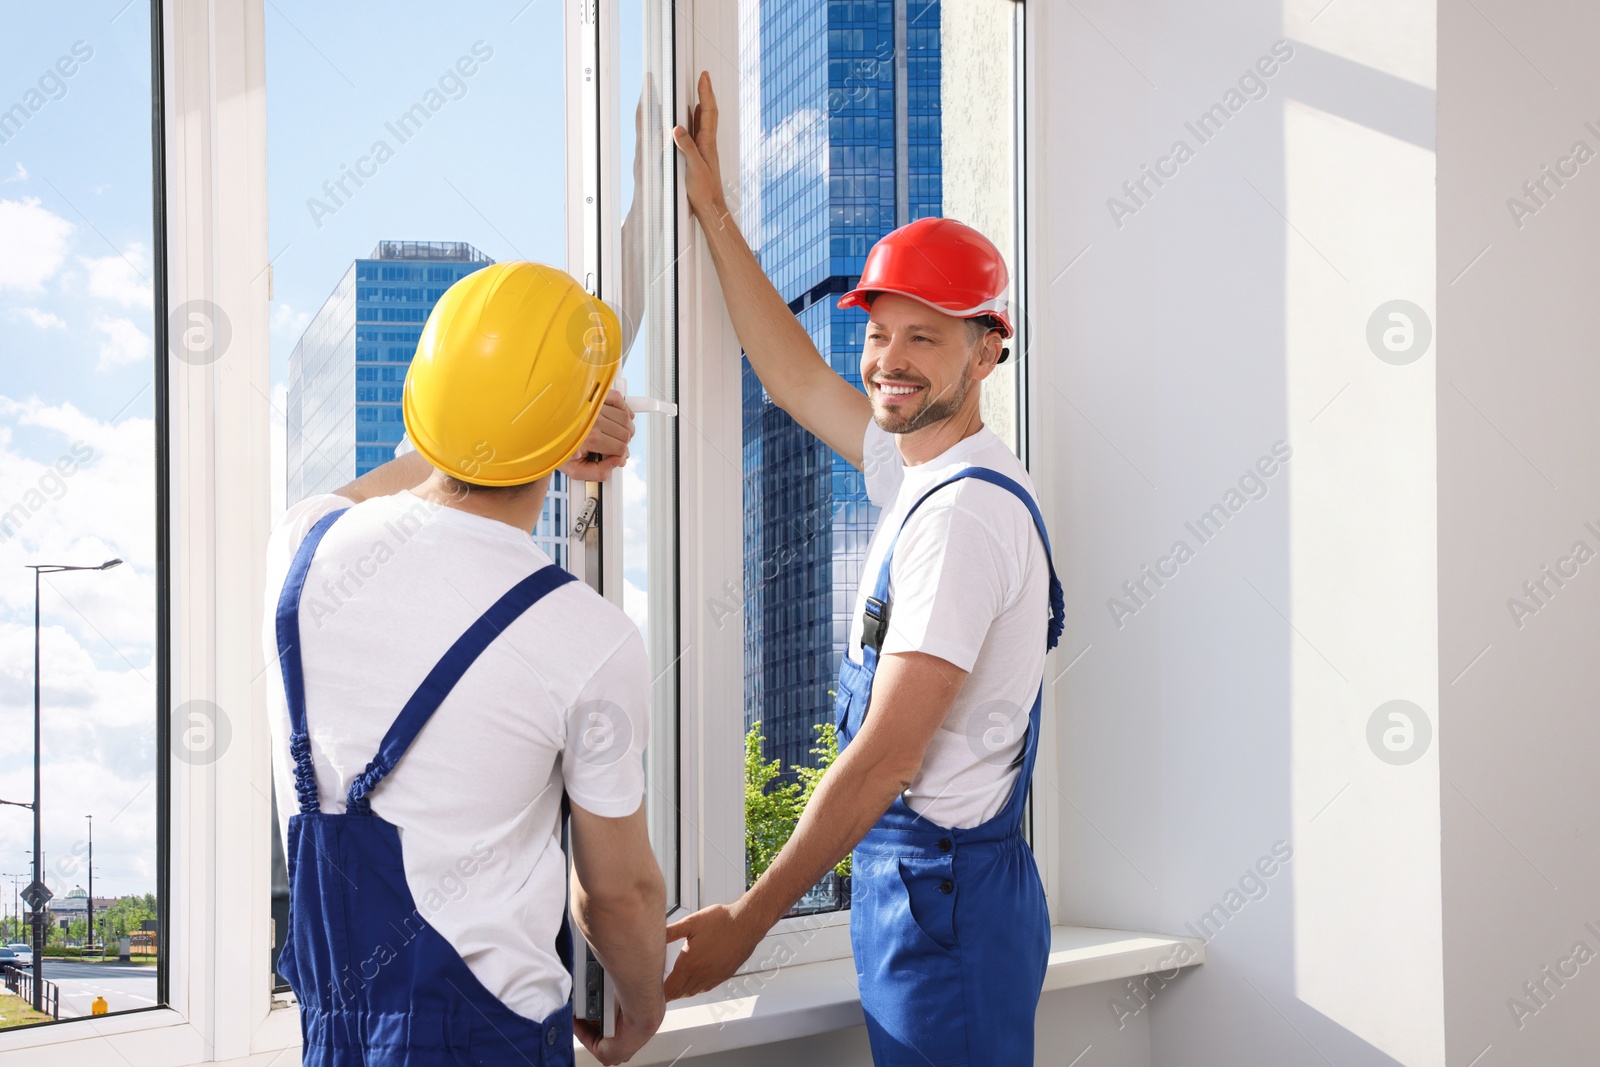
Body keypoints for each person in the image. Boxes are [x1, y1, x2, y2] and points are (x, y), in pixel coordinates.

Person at [665, 73, 1064, 1066]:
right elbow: (795, 375)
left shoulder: (962, 514)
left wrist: (748, 922)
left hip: (945, 900)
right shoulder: (919, 471)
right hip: (929, 891)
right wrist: (714, 209)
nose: (889, 358)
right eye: (879, 331)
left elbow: (887, 756)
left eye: (924, 336)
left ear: (986, 351)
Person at [263, 262, 666, 1067]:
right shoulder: (587, 635)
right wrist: (643, 1004)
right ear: (575, 427)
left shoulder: (298, 548)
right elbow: (617, 893)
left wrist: (529, 429)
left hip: (334, 1043)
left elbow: (404, 473)